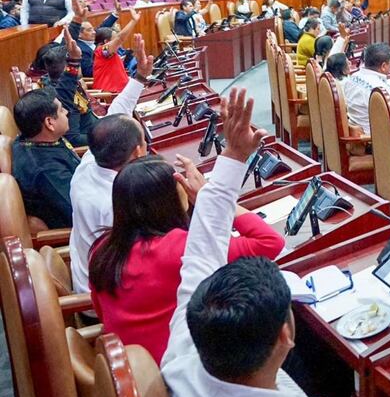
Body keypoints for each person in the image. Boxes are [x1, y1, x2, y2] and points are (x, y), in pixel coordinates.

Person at [157, 89, 319, 397]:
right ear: (285, 336)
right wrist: (234, 153)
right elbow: (202, 251)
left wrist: (233, 154)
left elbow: (203, 250)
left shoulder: (182, 354)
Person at [90, 100, 283, 365]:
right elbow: (270, 241)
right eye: (178, 183)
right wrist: (205, 195)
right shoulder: (177, 248)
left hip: (126, 369)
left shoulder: (100, 248)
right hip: (176, 372)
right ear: (166, 200)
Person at [12, 29, 153, 227]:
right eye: (62, 111)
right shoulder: (45, 171)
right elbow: (81, 215)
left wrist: (74, 62)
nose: (68, 113)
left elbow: (63, 93)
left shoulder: (37, 137)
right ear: (50, 123)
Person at [69, 110, 150, 292]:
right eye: (145, 142)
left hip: (88, 270)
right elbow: (140, 262)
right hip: (103, 293)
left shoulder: (88, 165)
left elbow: (112, 120)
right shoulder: (118, 202)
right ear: (138, 152)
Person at [344, 42, 390, 136]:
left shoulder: (352, 78)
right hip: (375, 143)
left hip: (355, 135)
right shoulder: (383, 90)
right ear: (383, 66)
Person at [92, 8, 141, 93]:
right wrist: (133, 21)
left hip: (121, 92)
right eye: (114, 39)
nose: (118, 44)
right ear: (106, 42)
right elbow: (120, 38)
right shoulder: (102, 51)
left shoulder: (107, 52)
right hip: (110, 96)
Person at [69, 0, 119, 77]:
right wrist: (108, 64)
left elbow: (103, 27)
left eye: (93, 29)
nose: (94, 32)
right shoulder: (81, 49)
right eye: (89, 30)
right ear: (79, 34)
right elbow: (89, 72)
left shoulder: (92, 39)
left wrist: (115, 14)